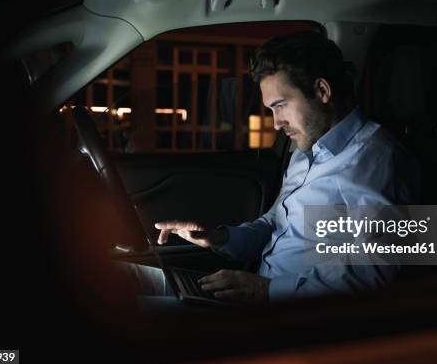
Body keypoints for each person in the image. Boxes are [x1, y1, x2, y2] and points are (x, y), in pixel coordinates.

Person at [152, 31, 419, 305]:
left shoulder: (376, 159)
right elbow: (276, 224)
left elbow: (375, 271)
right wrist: (219, 237)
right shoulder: (305, 153)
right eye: (271, 109)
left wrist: (265, 290)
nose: (276, 123)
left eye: (281, 106)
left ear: (322, 91)